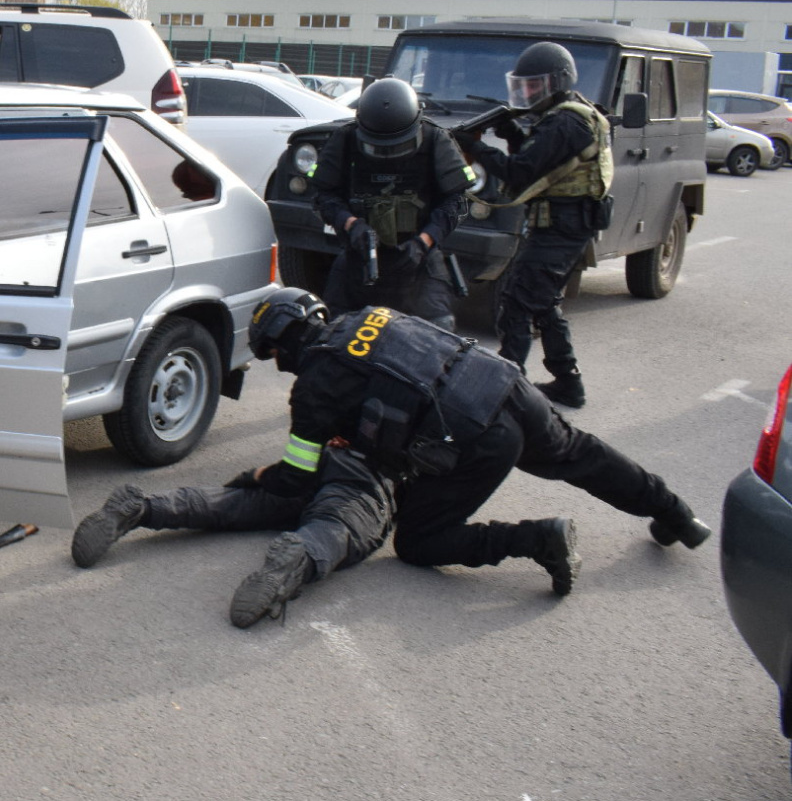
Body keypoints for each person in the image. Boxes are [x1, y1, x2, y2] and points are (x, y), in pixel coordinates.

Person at [241, 288, 711, 598]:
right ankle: (674, 512)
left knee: (419, 542)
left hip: (476, 435)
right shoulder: (370, 316)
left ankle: (538, 539)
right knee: (579, 455)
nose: (276, 361)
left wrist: (257, 477)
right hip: (509, 387)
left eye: (272, 352)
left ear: (282, 346)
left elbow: (295, 479)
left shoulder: (313, 389)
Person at [71, 441, 398, 629]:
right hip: (364, 485)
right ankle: (299, 556)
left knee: (237, 504)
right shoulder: (434, 396)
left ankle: (141, 507)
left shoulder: (365, 359)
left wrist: (255, 477)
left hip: (320, 459)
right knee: (337, 530)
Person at [452, 42, 613, 408]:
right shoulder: (565, 117)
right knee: (542, 303)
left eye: (536, 86)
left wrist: (475, 149)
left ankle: (507, 388)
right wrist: (511, 133)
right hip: (562, 226)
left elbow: (521, 172)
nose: (528, 93)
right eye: (524, 86)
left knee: (517, 303)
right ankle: (568, 383)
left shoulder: (566, 122)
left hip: (563, 227)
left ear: (558, 82)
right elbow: (536, 159)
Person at [310, 77, 472, 330]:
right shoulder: (344, 140)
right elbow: (323, 195)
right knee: (336, 332)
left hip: (418, 261)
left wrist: (424, 242)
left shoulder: (435, 139)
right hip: (359, 259)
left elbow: (456, 201)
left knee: (437, 332)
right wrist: (351, 225)